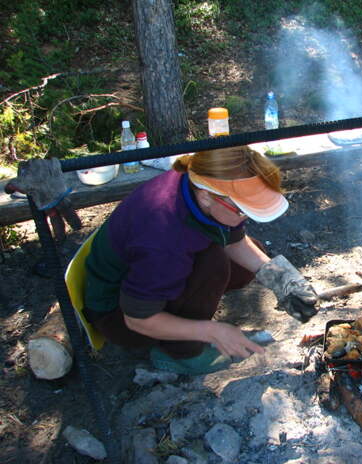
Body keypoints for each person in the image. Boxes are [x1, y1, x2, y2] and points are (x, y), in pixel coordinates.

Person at [81, 145, 319, 375]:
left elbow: (234, 241)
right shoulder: (163, 235)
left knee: (239, 258)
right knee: (213, 265)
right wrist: (213, 331)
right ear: (207, 197)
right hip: (118, 316)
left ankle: (190, 319)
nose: (245, 217)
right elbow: (137, 319)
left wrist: (283, 281)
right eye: (242, 210)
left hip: (146, 281)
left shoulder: (201, 186)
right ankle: (181, 354)